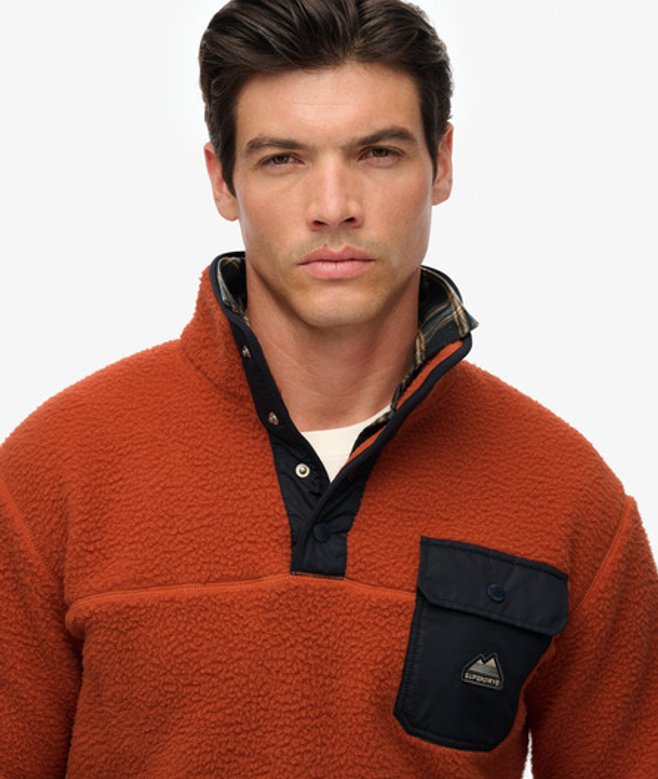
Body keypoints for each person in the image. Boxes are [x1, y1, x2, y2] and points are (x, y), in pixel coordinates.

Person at [0, 0, 656, 776]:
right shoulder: (54, 473)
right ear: (222, 180)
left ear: (442, 163)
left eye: (378, 153)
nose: (334, 207)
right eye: (284, 159)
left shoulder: (568, 496)